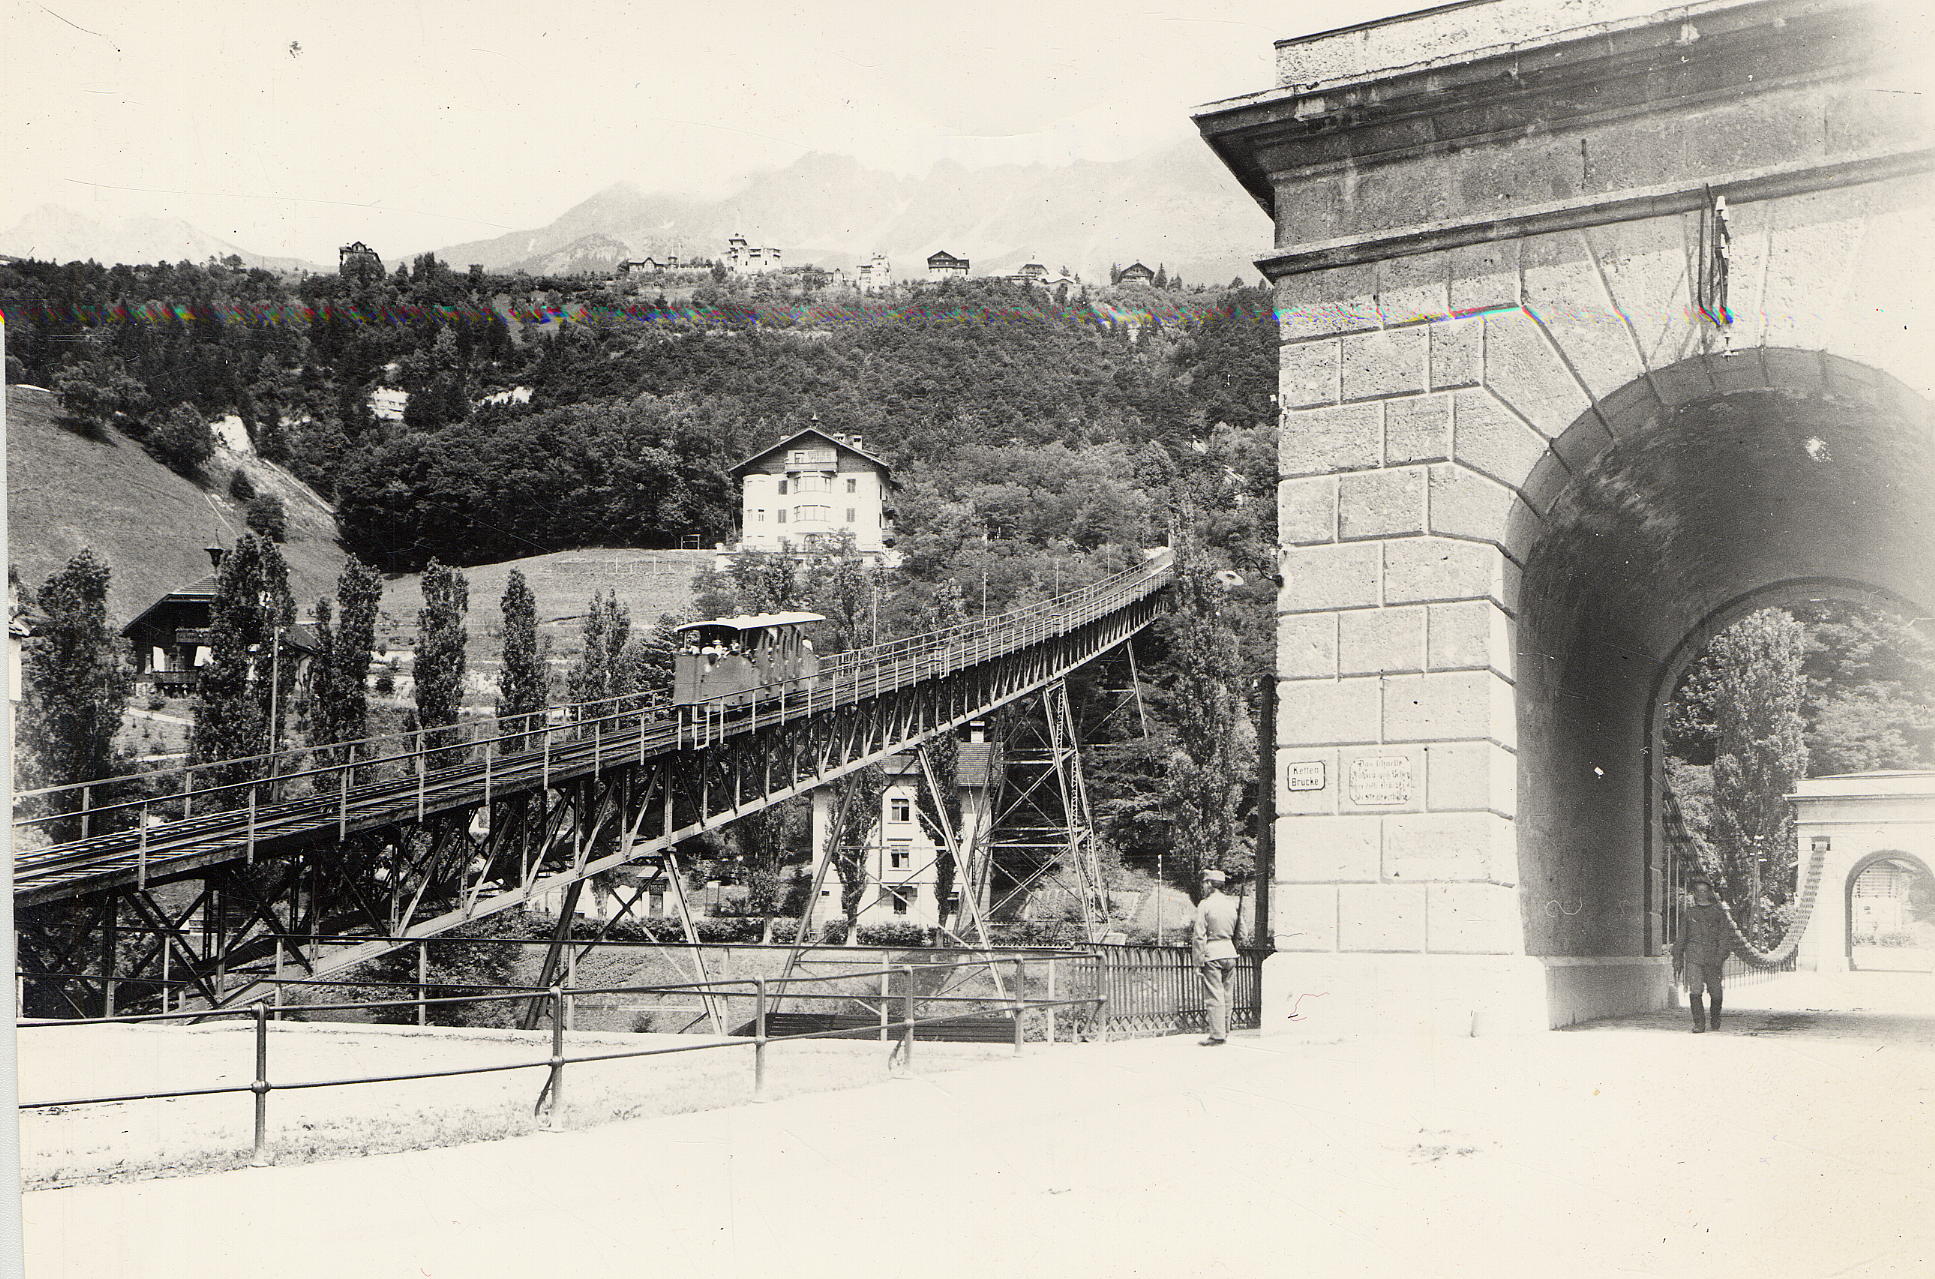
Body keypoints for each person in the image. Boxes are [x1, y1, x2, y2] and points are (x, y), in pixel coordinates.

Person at [1672, 875, 1731, 1033]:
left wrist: (1720, 956)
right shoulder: (1690, 913)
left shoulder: (1718, 913)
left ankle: (1715, 1018)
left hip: (1713, 958)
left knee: (1716, 993)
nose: (1702, 894)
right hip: (1694, 957)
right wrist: (1677, 957)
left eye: (1705, 891)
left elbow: (1725, 937)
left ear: (1709, 893)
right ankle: (1699, 1023)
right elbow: (1681, 937)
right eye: (1698, 891)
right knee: (1695, 990)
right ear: (1695, 894)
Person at [1192, 868, 1240, 1046]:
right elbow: (1241, 931)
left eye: (1205, 883)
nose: (1203, 886)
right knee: (1227, 994)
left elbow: (1199, 935)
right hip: (1230, 951)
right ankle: (1225, 1031)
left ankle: (1217, 1035)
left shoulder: (1205, 904)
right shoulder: (1231, 904)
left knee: (1214, 995)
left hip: (1212, 953)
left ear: (1210, 884)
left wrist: (1197, 961)